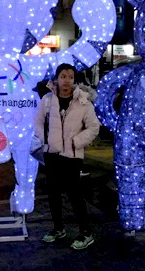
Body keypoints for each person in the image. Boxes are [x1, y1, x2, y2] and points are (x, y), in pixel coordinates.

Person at [34, 63, 101, 250]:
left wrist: (76, 142)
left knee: (75, 194)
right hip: (52, 154)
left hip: (72, 155)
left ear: (74, 80)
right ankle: (58, 228)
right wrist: (46, 139)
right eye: (63, 76)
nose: (67, 80)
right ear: (56, 78)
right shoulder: (47, 100)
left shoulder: (83, 102)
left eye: (70, 77)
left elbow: (94, 127)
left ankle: (85, 232)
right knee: (53, 193)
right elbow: (37, 122)